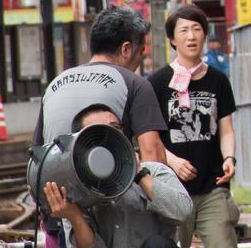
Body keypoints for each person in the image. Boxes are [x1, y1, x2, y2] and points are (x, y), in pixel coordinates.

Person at [148, 5, 240, 248]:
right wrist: (172, 162)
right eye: (184, 30)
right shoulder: (156, 83)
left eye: (197, 29)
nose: (191, 36)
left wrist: (229, 158)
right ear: (172, 39)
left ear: (205, 35)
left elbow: (226, 129)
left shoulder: (218, 80)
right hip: (172, 190)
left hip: (213, 186)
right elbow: (149, 137)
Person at [44, 104, 192, 248]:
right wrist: (75, 217)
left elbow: (183, 212)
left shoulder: (154, 171)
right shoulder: (76, 189)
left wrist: (139, 174)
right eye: (99, 131)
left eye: (115, 128)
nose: (110, 135)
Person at [33, 6, 167, 163]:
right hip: (110, 184)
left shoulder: (54, 86)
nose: (141, 59)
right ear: (126, 49)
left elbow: (36, 154)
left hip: (55, 185)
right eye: (141, 52)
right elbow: (152, 153)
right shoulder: (135, 83)